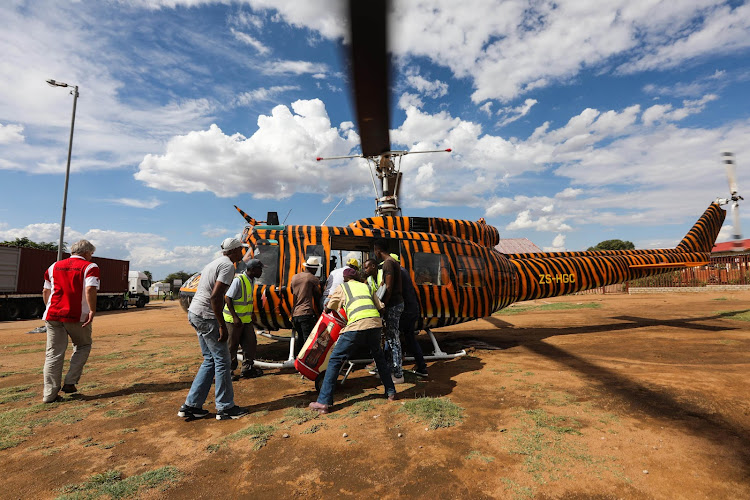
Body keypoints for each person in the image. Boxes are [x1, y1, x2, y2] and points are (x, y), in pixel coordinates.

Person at [179, 237, 250, 420]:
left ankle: (191, 406)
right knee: (222, 361)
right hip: (206, 316)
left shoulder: (214, 263)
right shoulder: (227, 266)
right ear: (234, 251)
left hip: (195, 312)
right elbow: (216, 297)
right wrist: (221, 325)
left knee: (210, 360)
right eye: (240, 249)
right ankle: (225, 407)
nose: (242, 252)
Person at [309, 267, 396, 414]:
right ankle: (391, 392)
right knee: (378, 357)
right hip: (375, 324)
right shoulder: (366, 286)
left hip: (357, 325)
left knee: (335, 359)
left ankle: (323, 402)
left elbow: (329, 308)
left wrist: (330, 304)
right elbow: (381, 307)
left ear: (344, 278)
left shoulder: (342, 287)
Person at [41, 239, 100, 403]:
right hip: (76, 316)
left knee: (53, 353)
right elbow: (90, 288)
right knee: (83, 345)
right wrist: (92, 310)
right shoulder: (90, 267)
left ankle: (49, 395)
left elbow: (46, 291)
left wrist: (50, 308)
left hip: (52, 315)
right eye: (91, 254)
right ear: (87, 253)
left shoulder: (53, 266)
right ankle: (70, 382)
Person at [223, 259, 264, 380]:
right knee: (232, 346)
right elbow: (228, 298)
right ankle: (229, 371)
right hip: (233, 320)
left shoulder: (251, 280)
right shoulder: (238, 280)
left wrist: (251, 313)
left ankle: (247, 369)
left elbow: (247, 300)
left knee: (250, 344)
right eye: (259, 269)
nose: (261, 272)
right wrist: (235, 317)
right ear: (252, 270)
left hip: (245, 320)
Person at [373, 239, 405, 384]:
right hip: (395, 303)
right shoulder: (392, 262)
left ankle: (398, 374)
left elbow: (389, 287)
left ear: (378, 250)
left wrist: (383, 304)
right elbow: (385, 283)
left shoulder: (388, 263)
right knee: (391, 338)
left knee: (393, 339)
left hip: (393, 305)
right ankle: (390, 369)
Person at [400, 265, 428, 377]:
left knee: (392, 338)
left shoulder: (398, 277)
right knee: (410, 338)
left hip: (406, 312)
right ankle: (422, 367)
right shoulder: (406, 277)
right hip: (412, 312)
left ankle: (390, 368)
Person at [290, 256, 322, 352]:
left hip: (295, 314)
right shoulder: (312, 278)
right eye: (316, 268)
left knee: (300, 338)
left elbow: (293, 291)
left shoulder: (294, 277)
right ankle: (306, 361)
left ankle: (298, 359)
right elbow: (318, 295)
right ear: (312, 268)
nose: (316, 270)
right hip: (306, 312)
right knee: (308, 339)